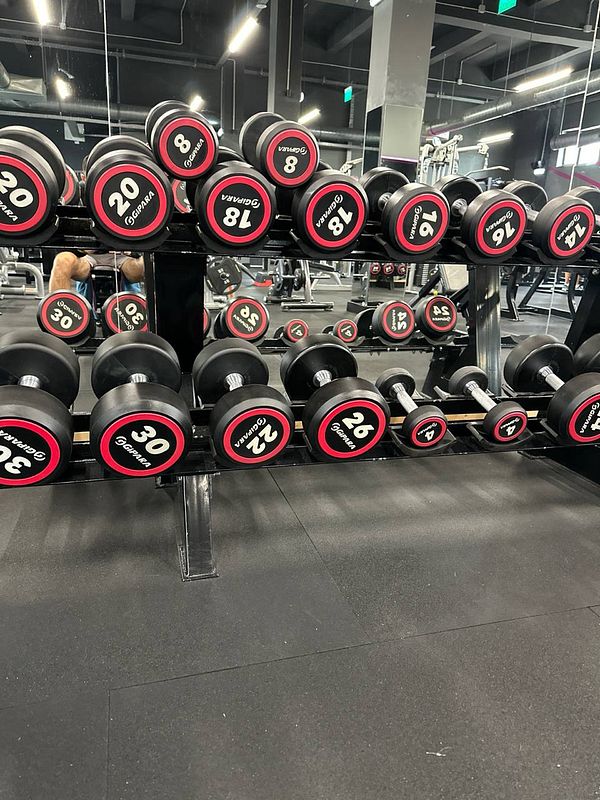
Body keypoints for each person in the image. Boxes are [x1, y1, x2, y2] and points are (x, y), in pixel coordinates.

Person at [49, 250, 144, 302]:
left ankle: (156, 321)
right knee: (62, 259)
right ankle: (59, 318)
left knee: (151, 261)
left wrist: (132, 251)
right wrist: (82, 249)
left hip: (124, 258)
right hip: (89, 257)